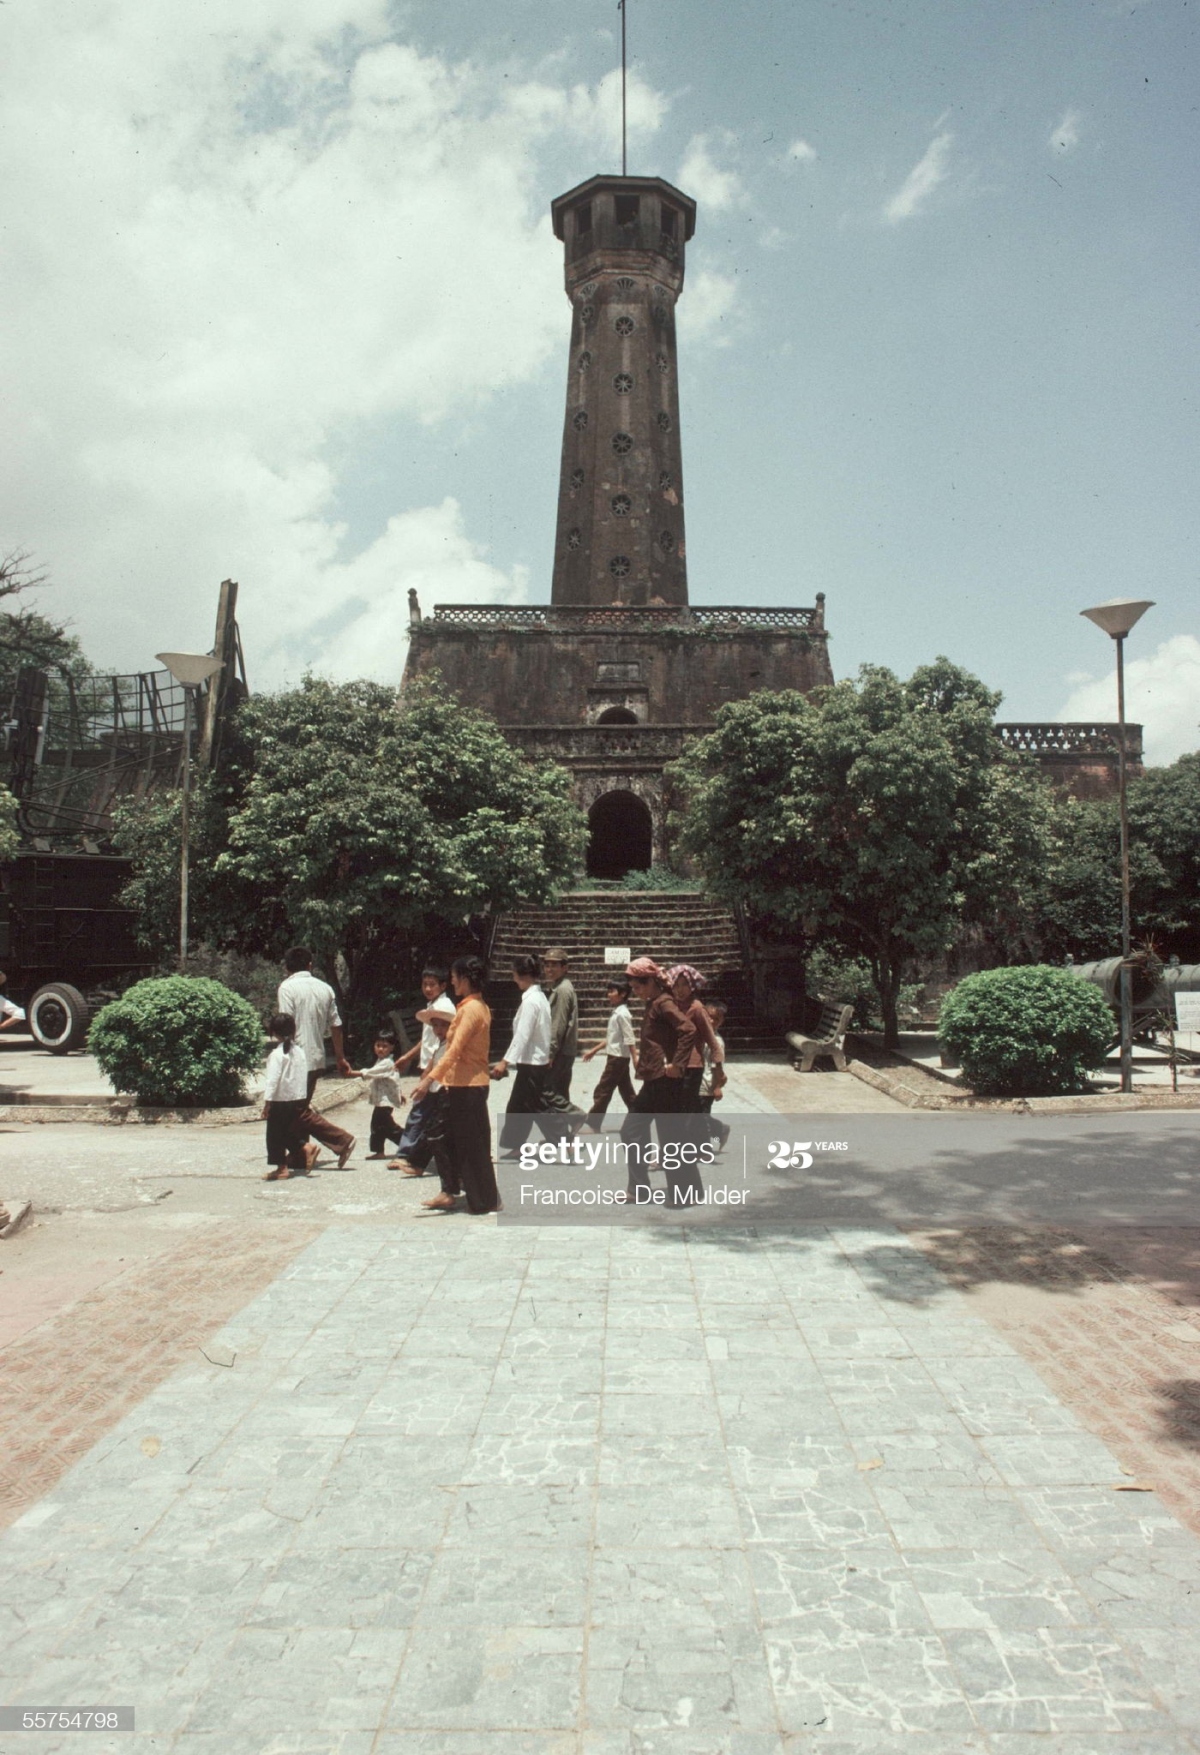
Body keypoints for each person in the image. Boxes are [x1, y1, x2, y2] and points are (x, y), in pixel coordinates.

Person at [410, 955, 499, 1215]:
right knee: (468, 1142)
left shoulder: (470, 1010)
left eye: (455, 977)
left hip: (468, 1085)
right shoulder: (476, 1006)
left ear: (466, 978)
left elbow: (454, 1050)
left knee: (472, 1146)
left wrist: (428, 1080)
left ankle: (483, 1200)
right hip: (468, 1083)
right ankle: (470, 1194)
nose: (452, 981)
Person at [619, 957, 696, 1204]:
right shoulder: (654, 1002)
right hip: (654, 1079)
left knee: (670, 1136)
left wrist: (678, 1064)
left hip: (664, 1080)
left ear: (651, 981)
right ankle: (640, 1188)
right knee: (635, 1131)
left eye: (639, 986)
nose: (636, 992)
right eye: (633, 988)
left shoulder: (663, 1003)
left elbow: (688, 1030)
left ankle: (683, 1193)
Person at [276, 947, 356, 1169]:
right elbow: (336, 1025)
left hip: (296, 1057)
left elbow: (286, 1025)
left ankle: (341, 1140)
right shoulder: (325, 989)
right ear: (310, 965)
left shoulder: (287, 988)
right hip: (317, 1057)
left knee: (293, 1110)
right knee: (299, 1107)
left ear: (287, 967)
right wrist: (340, 1057)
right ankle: (301, 1155)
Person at [391, 965, 455, 1167]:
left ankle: (405, 1155)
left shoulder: (444, 1008)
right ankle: (415, 1155)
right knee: (428, 1114)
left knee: (420, 1112)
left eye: (432, 985)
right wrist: (408, 1057)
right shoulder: (432, 1007)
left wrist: (427, 1073)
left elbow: (441, 1045)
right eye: (425, 984)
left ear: (443, 985)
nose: (427, 989)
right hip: (430, 1067)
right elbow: (426, 1040)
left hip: (435, 1069)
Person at [492, 954, 553, 1155]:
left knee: (536, 1106)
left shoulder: (531, 1002)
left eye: (515, 974)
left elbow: (522, 1036)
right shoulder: (539, 997)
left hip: (532, 1062)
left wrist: (504, 1061)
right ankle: (516, 1145)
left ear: (521, 975)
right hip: (533, 1060)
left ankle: (565, 1139)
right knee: (518, 1105)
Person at [261, 1014, 318, 1181]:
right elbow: (302, 1075)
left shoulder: (277, 1055)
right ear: (293, 1030)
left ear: (274, 1032)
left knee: (273, 1135)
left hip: (280, 1099)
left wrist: (267, 1103)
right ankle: (305, 1147)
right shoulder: (299, 1051)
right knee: (284, 1131)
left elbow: (272, 1081)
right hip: (296, 1098)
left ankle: (281, 1168)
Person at [666, 964, 726, 1118]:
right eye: (677, 985)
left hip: (692, 1066)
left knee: (688, 1110)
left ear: (691, 986)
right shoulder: (672, 1007)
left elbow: (710, 1038)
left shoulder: (697, 1007)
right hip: (676, 1063)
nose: (680, 989)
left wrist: (718, 1066)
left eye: (684, 985)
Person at [581, 977, 637, 1129]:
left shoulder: (622, 1014)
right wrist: (594, 1050)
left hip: (618, 1059)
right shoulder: (617, 1013)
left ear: (623, 994)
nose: (609, 995)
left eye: (612, 991)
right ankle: (640, 1115)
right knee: (627, 1091)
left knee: (603, 1090)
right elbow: (611, 1038)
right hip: (617, 1057)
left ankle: (593, 1123)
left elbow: (629, 1037)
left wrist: (635, 1058)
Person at [348, 1029, 407, 1158]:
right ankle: (379, 1151)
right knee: (378, 1125)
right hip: (381, 1100)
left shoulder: (387, 1063)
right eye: (378, 1045)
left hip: (386, 1101)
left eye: (384, 1046)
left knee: (388, 1127)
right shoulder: (382, 1060)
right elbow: (394, 1080)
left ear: (392, 1047)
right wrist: (400, 1093)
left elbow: (371, 1072)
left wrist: (351, 1073)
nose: (380, 1049)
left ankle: (410, 1144)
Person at [541, 948, 582, 1114]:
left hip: (561, 1052)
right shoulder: (561, 987)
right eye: (547, 965)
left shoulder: (562, 990)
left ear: (565, 967)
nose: (549, 969)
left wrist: (550, 1053)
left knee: (546, 1090)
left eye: (554, 965)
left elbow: (558, 1025)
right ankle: (564, 1137)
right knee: (561, 1091)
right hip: (566, 1050)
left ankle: (576, 1115)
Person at [700, 1000, 731, 1152]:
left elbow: (718, 1068)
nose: (711, 1021)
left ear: (721, 1022)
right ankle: (719, 1130)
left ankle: (706, 1148)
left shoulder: (717, 1042)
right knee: (695, 1116)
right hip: (695, 1082)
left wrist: (717, 1087)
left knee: (702, 1117)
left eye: (716, 1019)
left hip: (707, 1085)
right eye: (708, 1016)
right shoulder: (700, 1035)